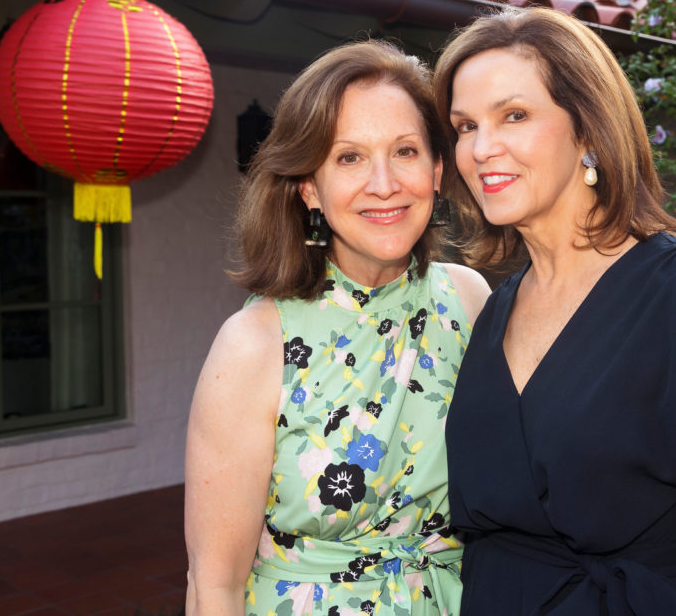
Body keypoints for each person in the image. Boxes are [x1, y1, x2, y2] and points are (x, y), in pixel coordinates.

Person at [432, 7, 676, 615]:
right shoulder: (494, 312)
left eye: (514, 116)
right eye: (465, 126)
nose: (481, 148)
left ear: (590, 130)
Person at [185, 41, 490, 616]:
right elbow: (214, 586)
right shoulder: (254, 344)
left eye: (405, 151)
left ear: (437, 168)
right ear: (308, 187)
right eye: (349, 157)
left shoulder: (469, 299)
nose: (384, 183)